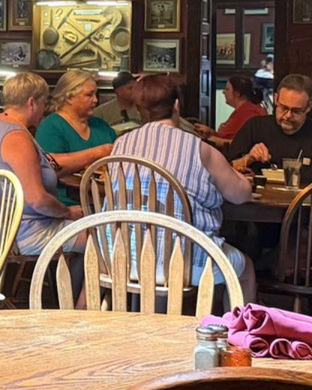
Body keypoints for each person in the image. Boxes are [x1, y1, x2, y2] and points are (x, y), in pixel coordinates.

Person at [107, 73, 257, 300]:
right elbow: (240, 195)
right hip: (185, 262)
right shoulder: (200, 149)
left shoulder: (121, 144)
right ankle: (239, 333)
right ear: (176, 105)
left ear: (139, 110)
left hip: (123, 256)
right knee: (246, 269)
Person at [0, 72, 83, 255]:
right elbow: (37, 199)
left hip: (3, 228)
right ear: (32, 103)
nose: (45, 110)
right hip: (28, 232)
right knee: (102, 238)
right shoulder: (16, 137)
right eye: (44, 103)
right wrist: (67, 212)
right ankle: (76, 284)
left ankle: (70, 283)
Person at [229, 73, 312, 177]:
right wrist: (250, 158)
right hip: (261, 206)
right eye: (283, 108)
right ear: (276, 99)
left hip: (310, 205)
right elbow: (227, 170)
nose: (288, 115)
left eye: (295, 111)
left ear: (308, 107)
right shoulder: (255, 127)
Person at [34, 69, 117, 200]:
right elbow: (49, 166)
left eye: (96, 94)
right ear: (69, 97)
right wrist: (98, 152)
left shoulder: (101, 126)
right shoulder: (51, 127)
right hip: (67, 206)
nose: (95, 100)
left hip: (105, 203)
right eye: (89, 95)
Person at [198, 74, 265, 151]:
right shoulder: (244, 110)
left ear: (237, 94)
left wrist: (209, 139)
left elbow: (241, 143)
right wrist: (210, 132)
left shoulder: (248, 113)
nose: (223, 92)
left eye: (227, 89)